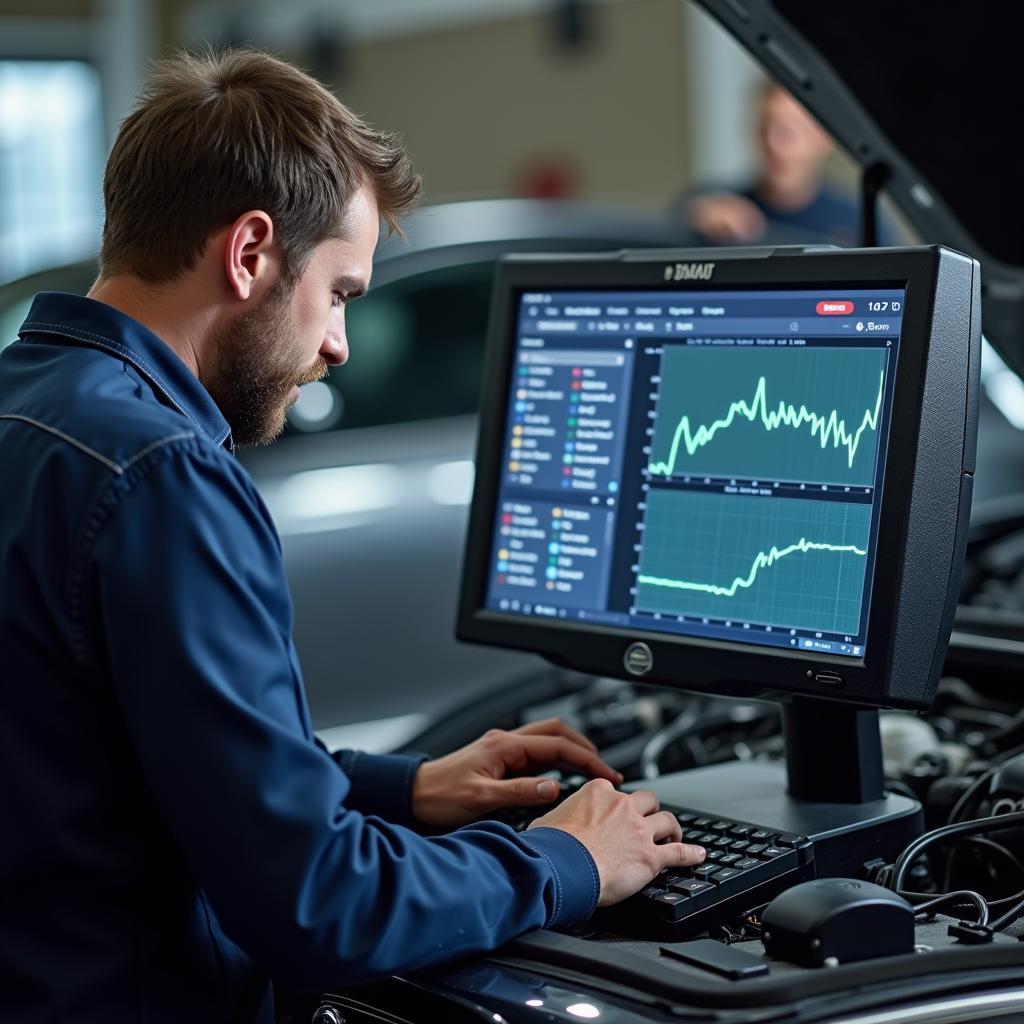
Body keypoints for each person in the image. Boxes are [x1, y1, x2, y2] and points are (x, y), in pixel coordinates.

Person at [0, 49, 706, 1022]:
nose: (336, 343)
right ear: (250, 253)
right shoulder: (161, 476)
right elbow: (316, 906)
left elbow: (116, 767)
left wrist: (402, 786)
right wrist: (565, 860)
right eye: (338, 293)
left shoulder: (29, 415)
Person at [680, 81, 886, 247]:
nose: (774, 144)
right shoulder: (718, 206)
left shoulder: (858, 220)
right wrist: (694, 216)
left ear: (822, 138)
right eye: (765, 128)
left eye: (790, 132)